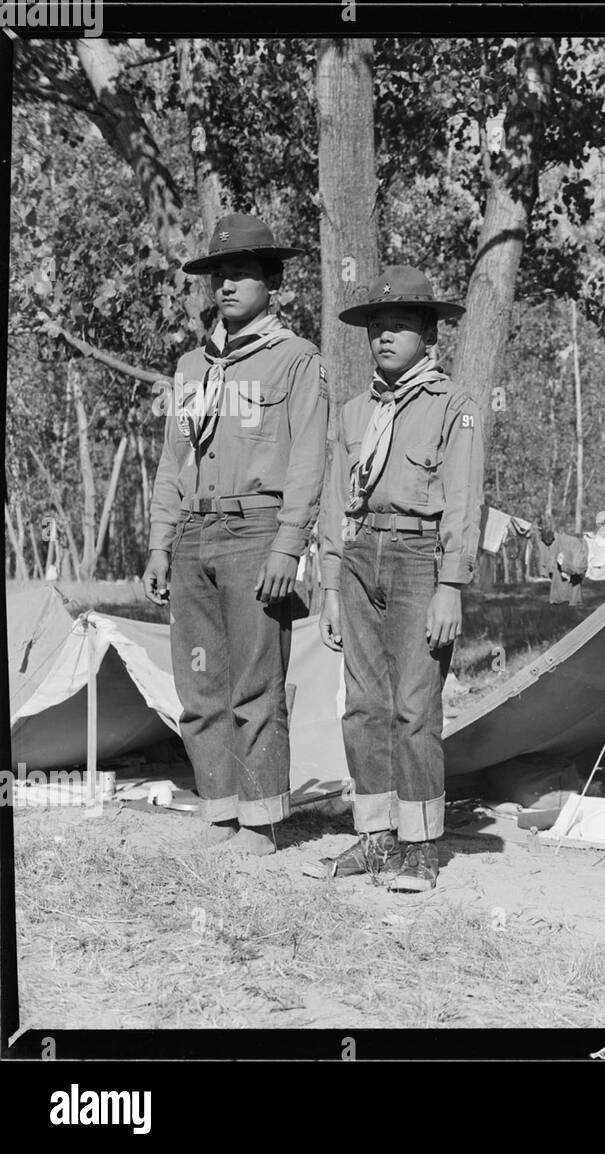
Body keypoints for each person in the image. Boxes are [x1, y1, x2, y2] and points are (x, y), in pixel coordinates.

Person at [143, 213, 329, 854]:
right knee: (199, 685)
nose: (226, 285)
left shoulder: (296, 361)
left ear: (271, 282)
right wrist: (159, 543)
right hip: (193, 533)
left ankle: (262, 820)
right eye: (219, 274)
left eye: (242, 273)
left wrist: (289, 543)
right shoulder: (190, 367)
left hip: (255, 532)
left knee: (255, 684)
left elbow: (310, 458)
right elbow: (173, 460)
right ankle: (219, 811)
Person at [309, 266, 482, 892]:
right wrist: (329, 585)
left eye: (400, 325)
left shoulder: (451, 406)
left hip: (418, 558)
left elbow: (462, 500)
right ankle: (377, 836)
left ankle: (421, 844)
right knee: (363, 705)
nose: (384, 336)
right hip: (358, 557)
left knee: (414, 704)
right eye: (377, 326)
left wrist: (451, 585)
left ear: (428, 335)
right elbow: (334, 498)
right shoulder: (355, 412)